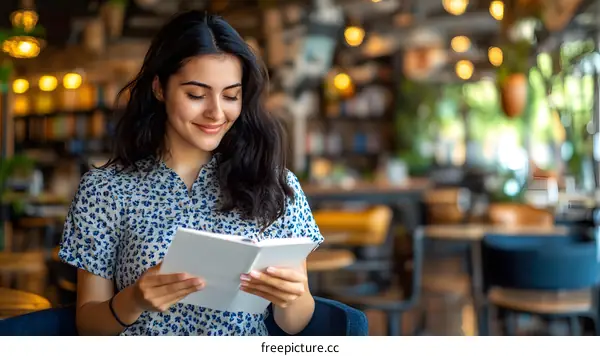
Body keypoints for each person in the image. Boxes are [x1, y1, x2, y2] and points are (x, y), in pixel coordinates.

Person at [58, 10, 324, 336]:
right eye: (196, 95)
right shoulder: (105, 190)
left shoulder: (276, 184)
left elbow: (295, 323)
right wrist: (135, 299)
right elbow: (88, 326)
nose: (215, 112)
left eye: (230, 95)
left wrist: (291, 298)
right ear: (159, 88)